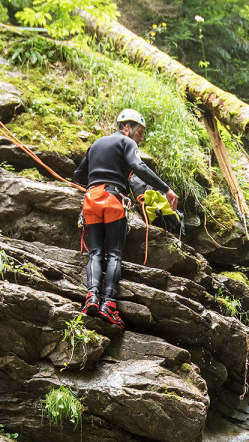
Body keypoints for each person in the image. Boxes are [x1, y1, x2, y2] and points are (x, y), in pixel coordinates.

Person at [73, 109, 179, 329]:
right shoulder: (126, 142)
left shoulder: (96, 144)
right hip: (113, 200)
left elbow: (78, 175)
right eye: (140, 133)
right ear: (128, 127)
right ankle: (108, 305)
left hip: (91, 200)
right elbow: (138, 166)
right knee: (114, 254)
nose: (140, 138)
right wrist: (166, 189)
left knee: (95, 252)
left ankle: (91, 298)